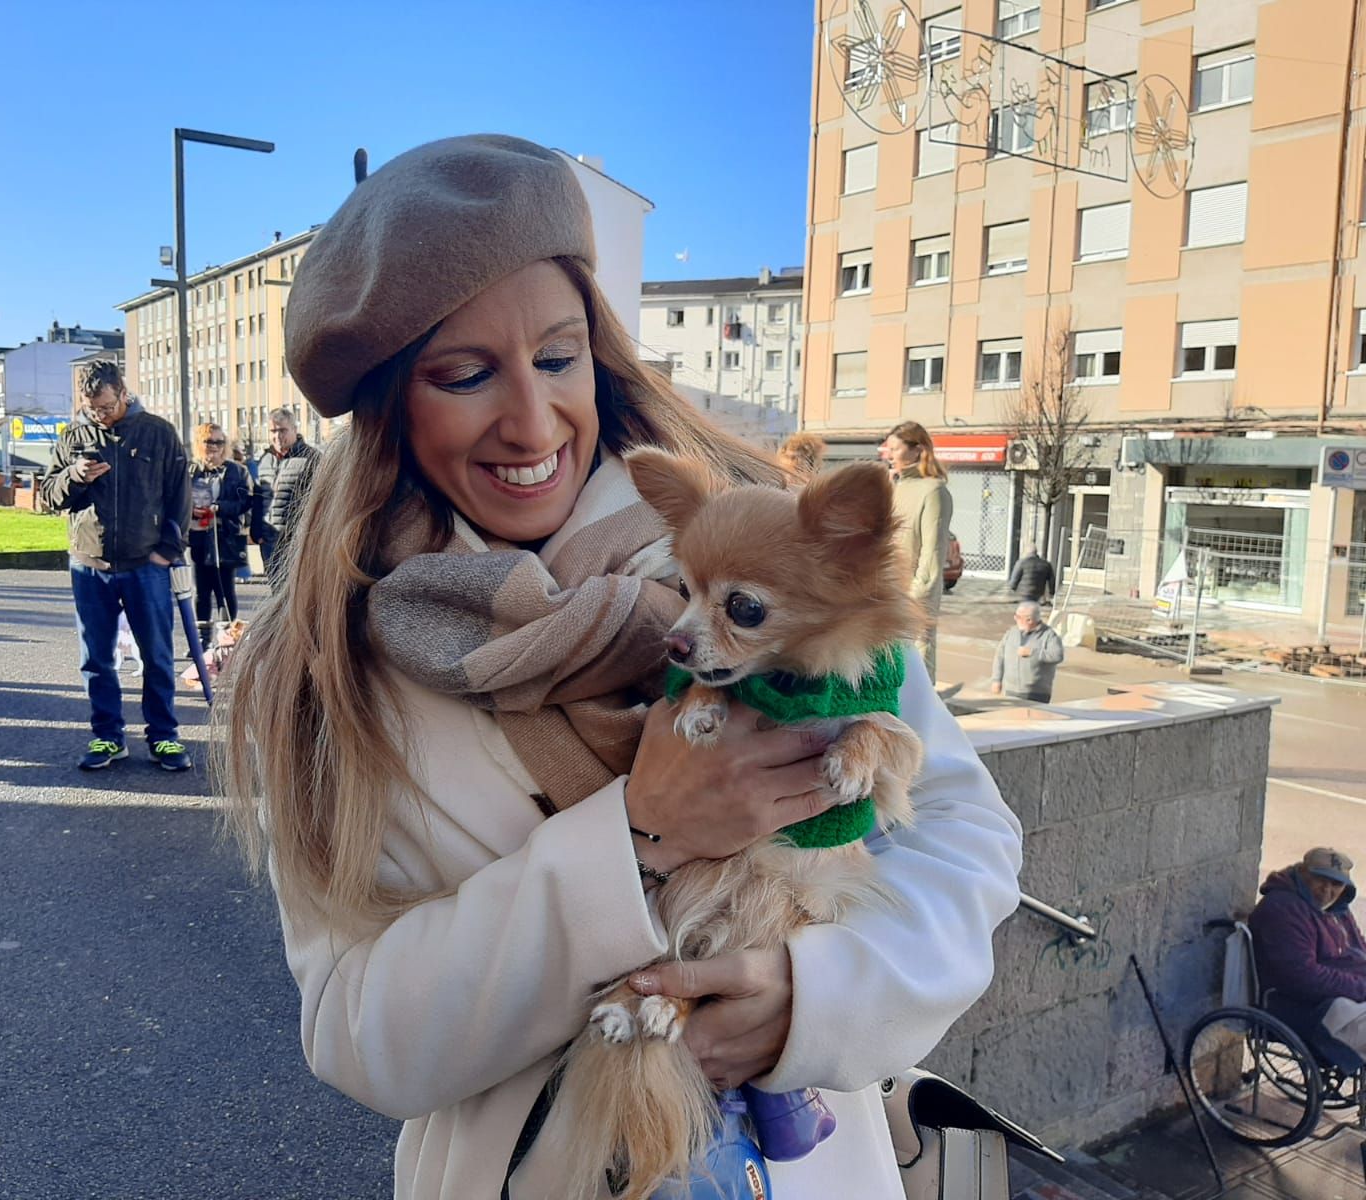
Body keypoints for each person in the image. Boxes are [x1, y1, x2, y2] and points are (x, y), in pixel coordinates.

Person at [219, 134, 1022, 1199]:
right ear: (388, 407)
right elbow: (358, 1033)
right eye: (464, 374)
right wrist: (637, 839)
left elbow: (962, 832)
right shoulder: (328, 663)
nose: (532, 418)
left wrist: (814, 995)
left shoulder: (760, 545)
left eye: (557, 357)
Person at [40, 360, 192, 773]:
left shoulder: (158, 433)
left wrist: (168, 550)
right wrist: (74, 474)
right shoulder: (73, 436)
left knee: (157, 656)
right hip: (89, 565)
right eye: (92, 409)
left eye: (106, 407)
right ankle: (107, 737)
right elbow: (47, 497)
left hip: (146, 564)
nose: (99, 415)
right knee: (96, 659)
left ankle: (164, 738)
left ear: (123, 393)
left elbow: (181, 496)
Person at [1249, 848, 1366, 1054]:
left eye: (1336, 884)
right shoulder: (1283, 910)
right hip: (1300, 1006)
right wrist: (1360, 987)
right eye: (1320, 879)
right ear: (1302, 874)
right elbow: (1303, 977)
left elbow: (1356, 948)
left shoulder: (1336, 907)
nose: (1327, 890)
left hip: (1340, 994)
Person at [879, 420, 953, 681]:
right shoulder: (894, 486)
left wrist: (914, 600)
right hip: (887, 590)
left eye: (895, 448)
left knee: (916, 662)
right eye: (888, 449)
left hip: (913, 595)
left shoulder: (934, 491)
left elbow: (932, 554)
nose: (889, 454)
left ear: (918, 449)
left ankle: (922, 720)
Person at [188, 422, 252, 637]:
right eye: (208, 441)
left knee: (225, 589)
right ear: (199, 443)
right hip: (198, 534)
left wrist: (219, 507)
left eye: (218, 442)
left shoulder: (237, 471)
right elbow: (176, 499)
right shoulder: (190, 470)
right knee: (201, 590)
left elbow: (245, 503)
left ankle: (228, 638)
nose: (214, 446)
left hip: (226, 535)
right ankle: (202, 639)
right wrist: (191, 509)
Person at [251, 407, 317, 587]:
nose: (277, 435)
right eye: (273, 431)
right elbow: (258, 498)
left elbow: (319, 503)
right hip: (269, 541)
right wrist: (257, 531)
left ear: (294, 430)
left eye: (282, 430)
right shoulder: (265, 459)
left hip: (297, 542)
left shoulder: (311, 458)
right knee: (275, 594)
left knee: (296, 594)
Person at [990, 601, 1065, 704]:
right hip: (1010, 690)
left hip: (1036, 693)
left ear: (1029, 620)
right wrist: (996, 680)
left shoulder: (1049, 635)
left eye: (1018, 617)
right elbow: (1000, 657)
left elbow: (1057, 656)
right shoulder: (1011, 633)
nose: (1015, 619)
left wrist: (1033, 653)